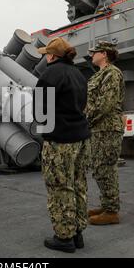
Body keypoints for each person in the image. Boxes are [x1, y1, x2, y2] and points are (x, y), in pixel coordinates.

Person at [35, 37, 91, 253]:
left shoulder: (50, 74)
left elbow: (40, 111)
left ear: (51, 56)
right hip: (80, 138)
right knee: (78, 184)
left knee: (59, 187)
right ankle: (78, 234)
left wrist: (46, 132)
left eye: (45, 54)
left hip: (60, 141)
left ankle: (64, 237)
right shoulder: (79, 74)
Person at [85, 41, 125, 225]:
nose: (92, 55)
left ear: (105, 54)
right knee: (100, 168)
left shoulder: (112, 73)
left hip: (107, 128)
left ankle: (111, 211)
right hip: (99, 128)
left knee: (105, 168)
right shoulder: (101, 74)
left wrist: (86, 119)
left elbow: (105, 104)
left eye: (95, 52)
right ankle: (107, 205)